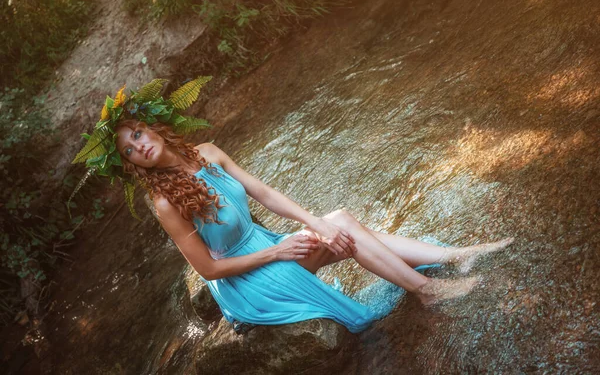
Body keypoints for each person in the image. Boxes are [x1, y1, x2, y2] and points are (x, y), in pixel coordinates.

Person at [72, 78, 513, 333]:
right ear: (131, 164)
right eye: (129, 150)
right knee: (343, 229)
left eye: (137, 135)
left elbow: (264, 193)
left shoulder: (208, 151)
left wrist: (311, 221)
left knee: (337, 223)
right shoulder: (164, 202)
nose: (138, 147)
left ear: (152, 129)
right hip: (247, 282)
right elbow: (206, 271)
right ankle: (429, 287)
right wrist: (279, 251)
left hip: (265, 246)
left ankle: (452, 259)